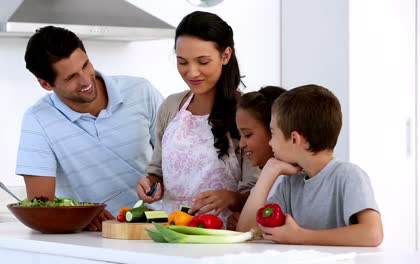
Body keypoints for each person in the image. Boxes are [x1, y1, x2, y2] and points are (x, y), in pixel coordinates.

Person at [16, 26, 164, 231]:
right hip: (92, 238)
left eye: (86, 65)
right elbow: (41, 205)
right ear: (45, 84)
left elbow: (176, 158)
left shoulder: (141, 91)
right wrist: (83, 214)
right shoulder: (38, 120)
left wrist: (157, 181)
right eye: (71, 78)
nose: (86, 80)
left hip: (159, 227)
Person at [135, 11, 259, 225]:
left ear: (225, 55)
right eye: (182, 62)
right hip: (172, 230)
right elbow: (156, 171)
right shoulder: (171, 106)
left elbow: (260, 189)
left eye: (203, 62)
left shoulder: (247, 112)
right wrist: (150, 185)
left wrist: (232, 198)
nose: (192, 73)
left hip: (223, 234)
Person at [236, 84, 383, 246]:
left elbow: (373, 234)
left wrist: (300, 236)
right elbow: (245, 233)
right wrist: (268, 172)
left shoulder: (350, 175)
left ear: (294, 139)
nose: (270, 142)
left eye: (273, 133)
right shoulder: (289, 183)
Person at [226, 86, 286, 230]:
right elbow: (245, 228)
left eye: (247, 135)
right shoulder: (266, 178)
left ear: (274, 130)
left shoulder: (293, 182)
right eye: (240, 136)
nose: (241, 144)